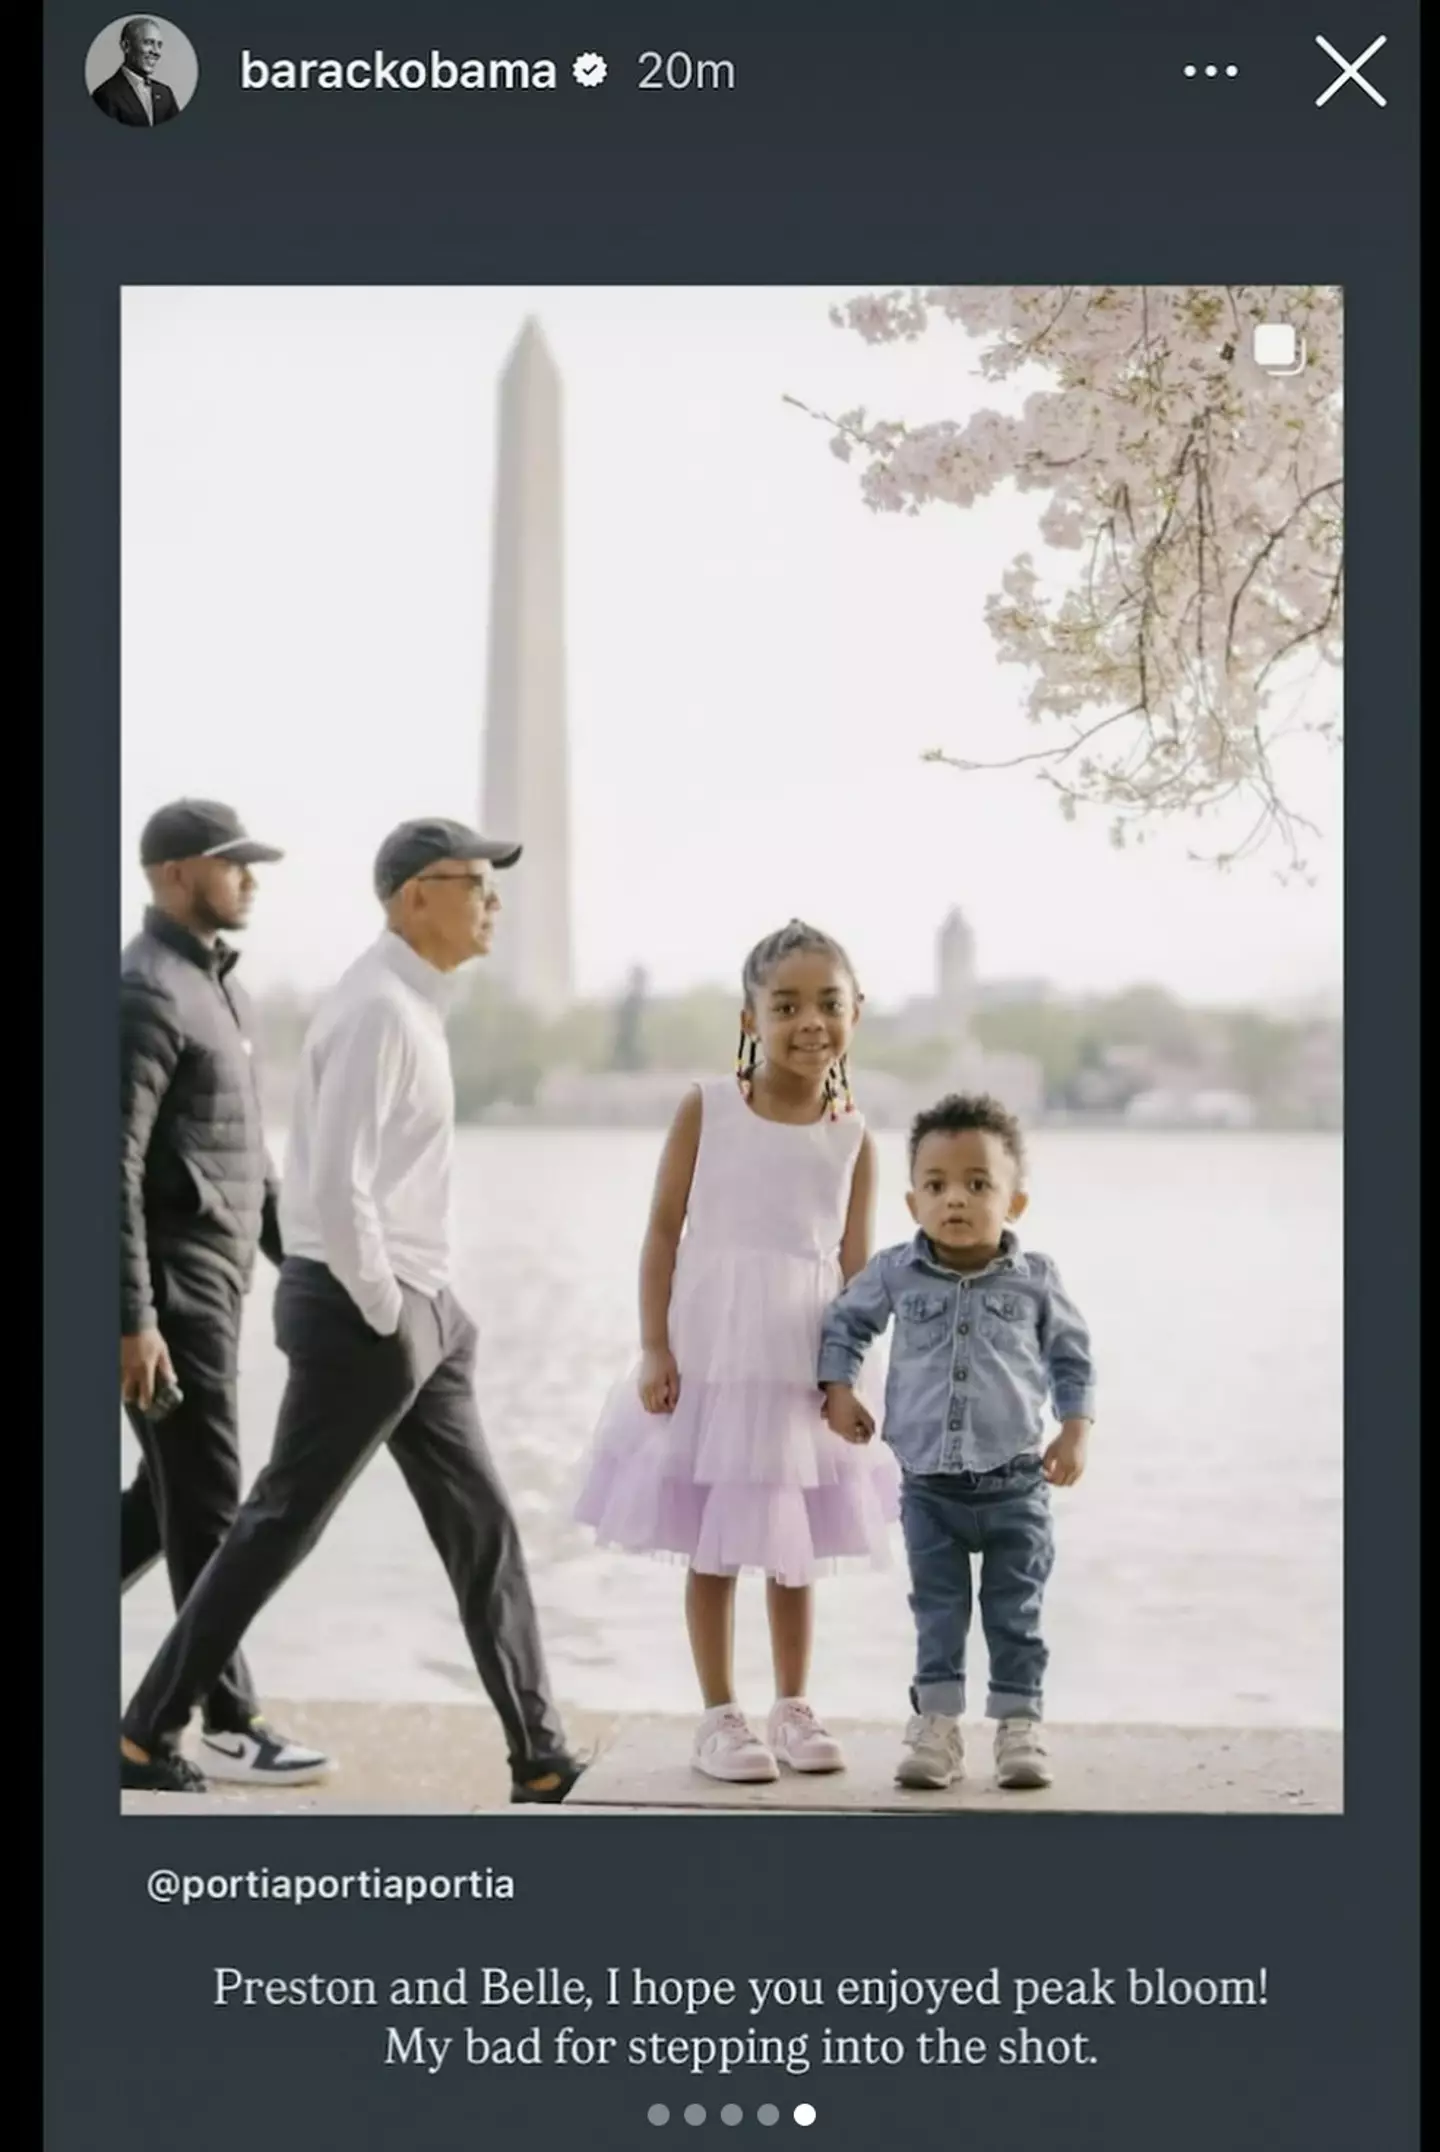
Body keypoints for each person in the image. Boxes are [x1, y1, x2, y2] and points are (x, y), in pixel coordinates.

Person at [120, 817, 585, 1804]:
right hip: (371, 1310)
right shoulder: (376, 1008)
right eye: (475, 882)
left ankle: (538, 1753)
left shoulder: (412, 1004)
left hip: (420, 1306)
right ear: (417, 894)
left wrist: (424, 1305)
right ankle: (147, 1728)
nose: (492, 900)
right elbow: (337, 1185)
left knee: (483, 1527)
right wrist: (382, 1306)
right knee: (277, 1523)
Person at [573, 920, 899, 1784]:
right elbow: (660, 1232)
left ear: (856, 1012)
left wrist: (845, 1377)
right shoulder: (708, 1108)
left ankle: (793, 1704)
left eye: (827, 1004)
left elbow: (858, 1268)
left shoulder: (853, 1135)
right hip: (712, 1357)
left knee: (794, 1542)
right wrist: (654, 1348)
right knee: (713, 1541)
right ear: (751, 1017)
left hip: (802, 1361)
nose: (809, 1022)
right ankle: (720, 1714)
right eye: (785, 1004)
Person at [120, 798, 330, 1788]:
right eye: (230, 861)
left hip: (215, 1285)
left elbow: (251, 1165)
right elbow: (106, 1165)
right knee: (208, 1505)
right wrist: (134, 1321)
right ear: (170, 874)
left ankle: (211, 1704)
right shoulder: (144, 990)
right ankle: (226, 1714)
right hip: (169, 1298)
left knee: (155, 1504)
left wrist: (314, 1266)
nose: (250, 876)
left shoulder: (217, 988)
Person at [818, 1093, 1097, 1793]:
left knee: (1016, 1612)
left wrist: (1075, 1430)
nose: (957, 1200)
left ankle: (1018, 1726)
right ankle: (936, 1728)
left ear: (1015, 1203)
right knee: (938, 1613)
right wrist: (839, 1389)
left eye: (979, 1185)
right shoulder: (895, 1272)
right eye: (937, 1185)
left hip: (1016, 1487)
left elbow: (1071, 1360)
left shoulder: (1036, 1281)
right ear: (913, 1202)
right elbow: (845, 1324)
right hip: (929, 1492)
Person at [91, 18, 182, 126]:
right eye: (148, 42)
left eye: (159, 45)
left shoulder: (165, 93)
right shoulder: (105, 95)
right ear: (126, 46)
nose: (156, 52)